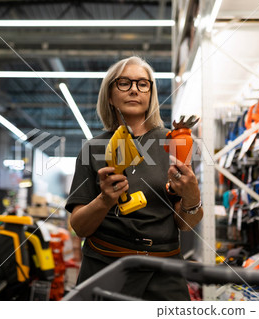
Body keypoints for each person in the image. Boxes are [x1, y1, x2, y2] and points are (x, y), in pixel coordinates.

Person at [65, 56, 203, 300]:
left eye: (142, 84)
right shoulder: (92, 150)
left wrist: (192, 195)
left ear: (151, 93)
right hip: (105, 269)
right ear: (109, 94)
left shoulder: (174, 143)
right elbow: (79, 227)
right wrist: (105, 200)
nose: (134, 90)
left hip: (164, 271)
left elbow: (185, 224)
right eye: (124, 83)